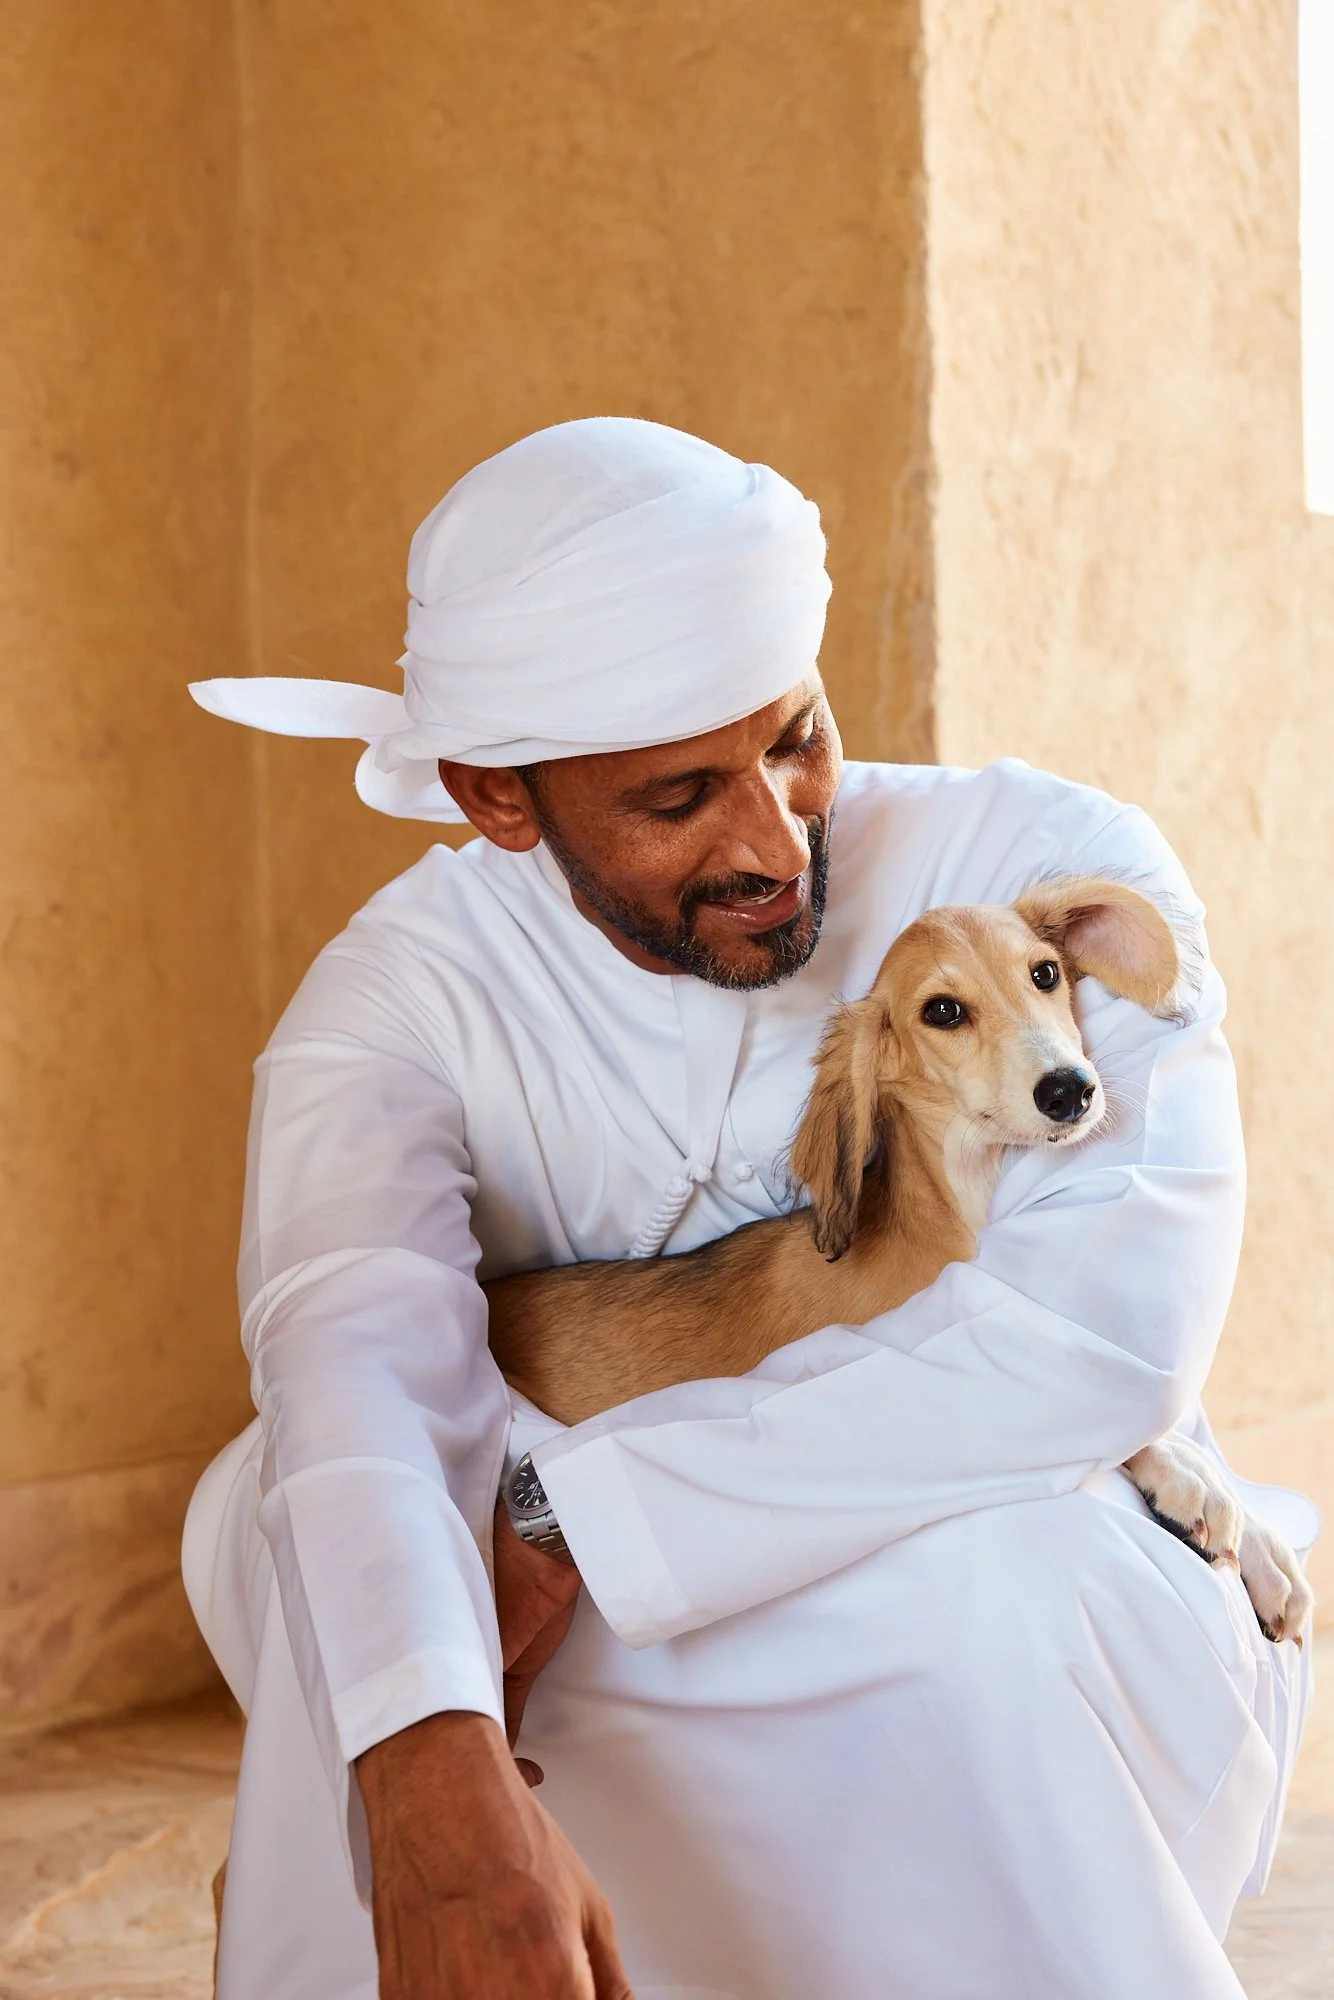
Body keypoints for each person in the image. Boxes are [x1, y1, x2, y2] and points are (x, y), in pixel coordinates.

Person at [183, 417, 1315, 2000]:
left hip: (1002, 1526)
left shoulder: (1039, 862)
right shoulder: (394, 997)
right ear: (499, 799)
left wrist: (585, 1518)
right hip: (582, 1497)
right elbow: (347, 1352)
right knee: (297, 1531)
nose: (779, 840)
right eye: (679, 797)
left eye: (796, 738)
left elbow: (1089, 1342)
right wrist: (429, 1767)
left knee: (991, 1582)